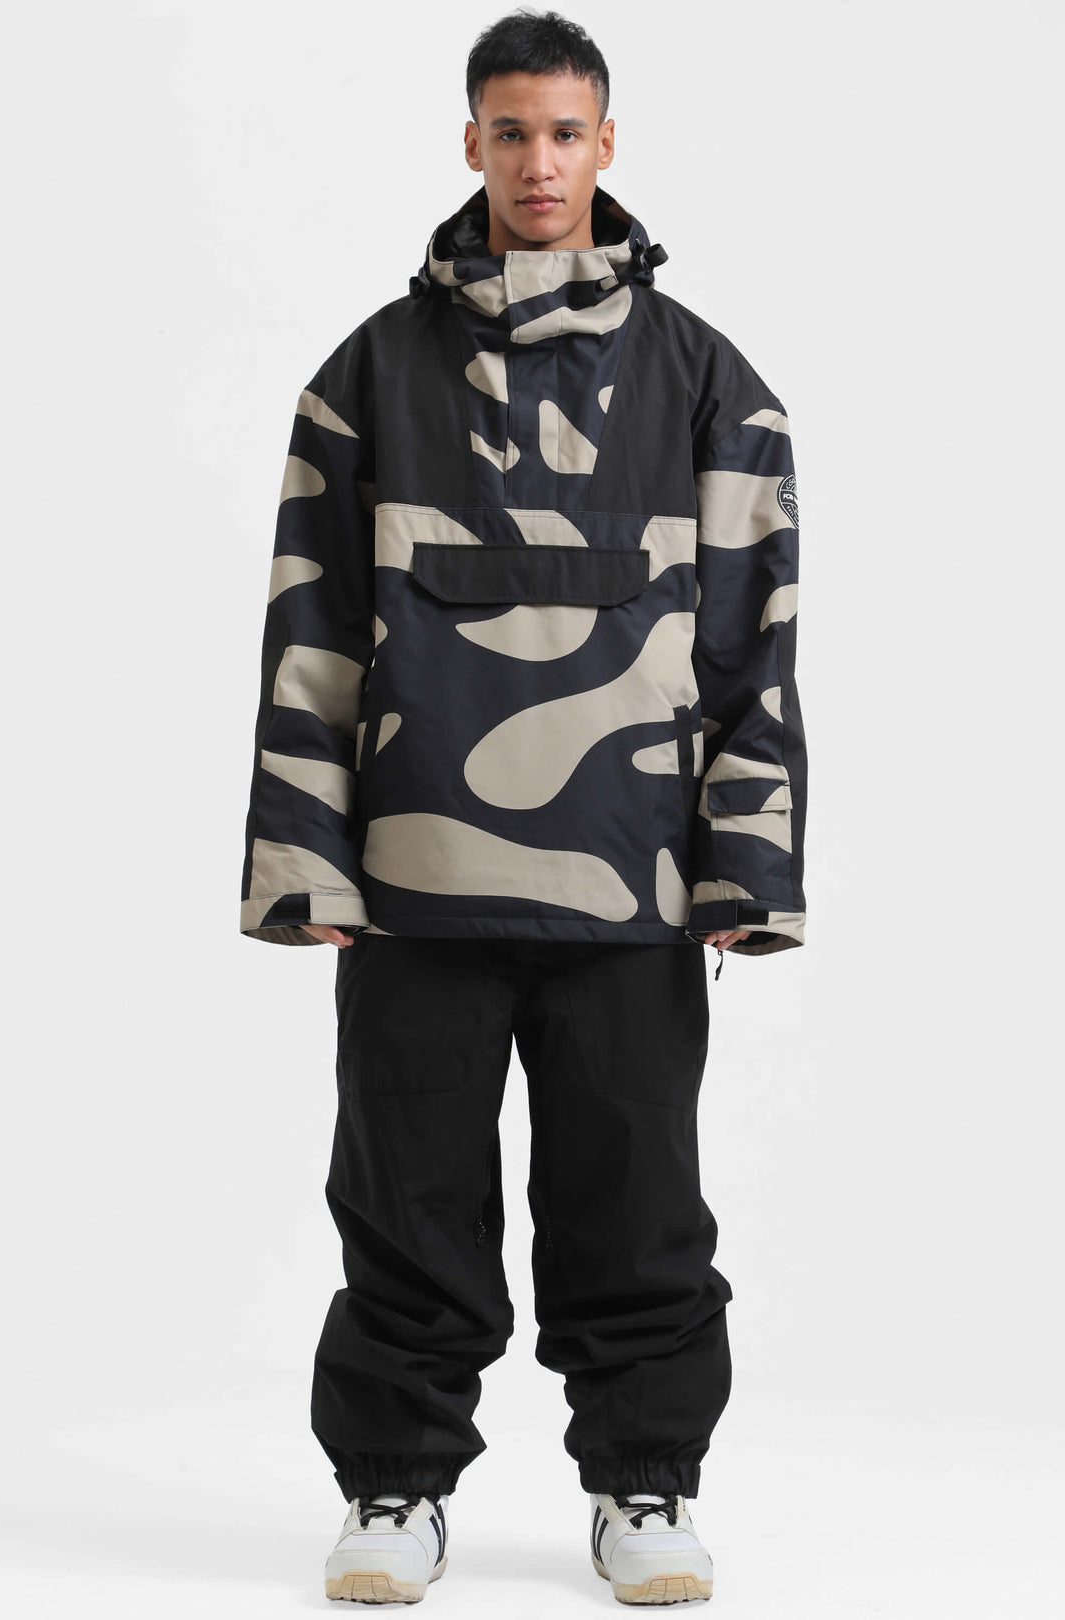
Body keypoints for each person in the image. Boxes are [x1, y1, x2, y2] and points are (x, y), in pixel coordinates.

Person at [238, 7, 807, 1605]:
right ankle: (396, 1488)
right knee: (405, 1202)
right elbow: (311, 625)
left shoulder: (709, 382)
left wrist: (746, 867)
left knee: (636, 1200)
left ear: (606, 144)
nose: (539, 161)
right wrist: (304, 860)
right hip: (412, 876)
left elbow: (753, 639)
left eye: (565, 132)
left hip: (632, 885)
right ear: (472, 144)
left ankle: (645, 1483)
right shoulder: (369, 373)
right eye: (511, 132)